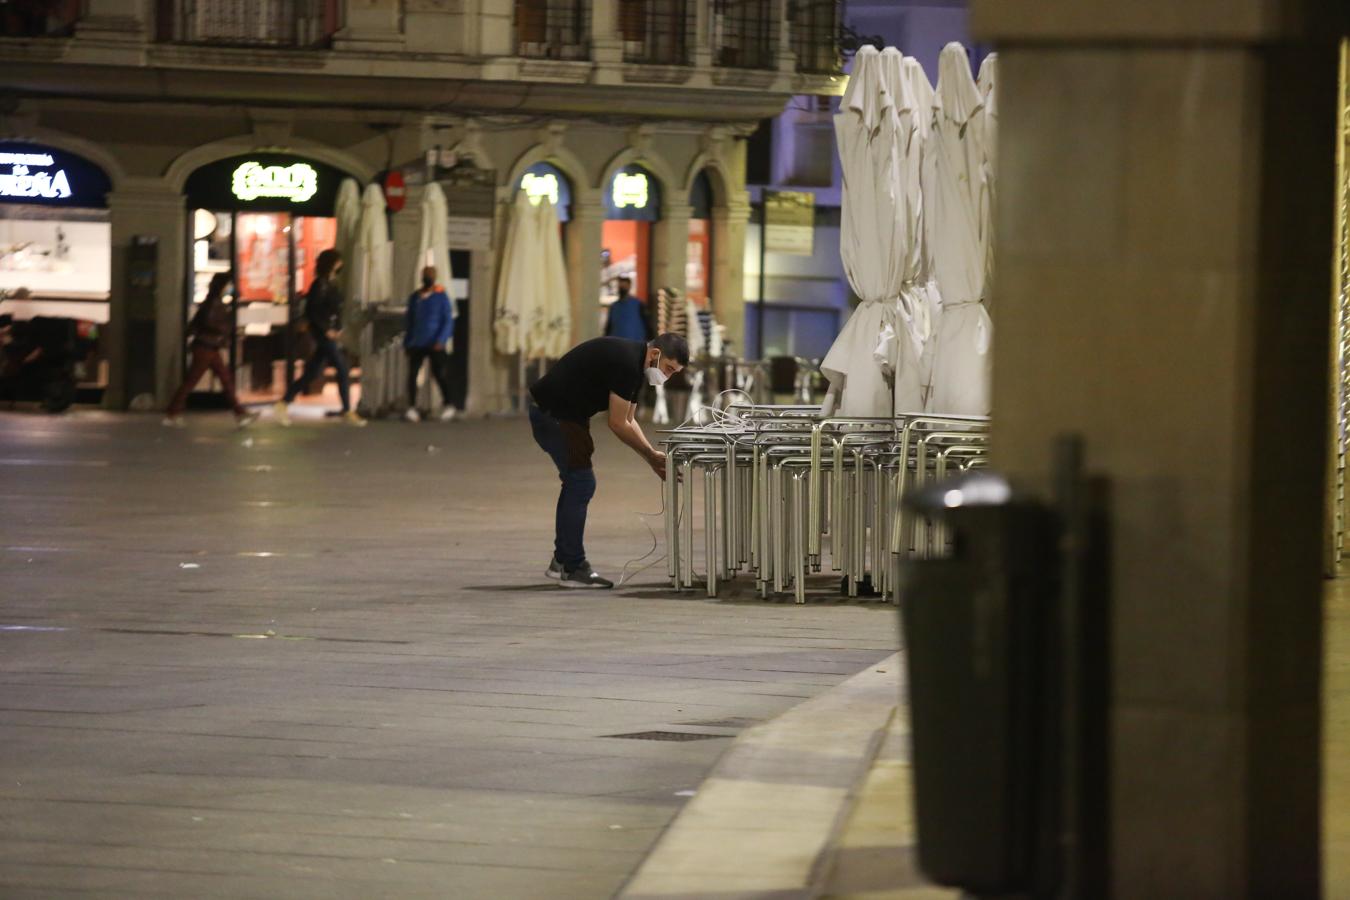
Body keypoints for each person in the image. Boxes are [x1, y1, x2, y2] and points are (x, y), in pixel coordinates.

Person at [528, 331, 687, 589]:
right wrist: (649, 456)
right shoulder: (627, 363)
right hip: (553, 414)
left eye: (674, 373)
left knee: (577, 482)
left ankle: (563, 561)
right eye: (668, 369)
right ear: (656, 353)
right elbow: (616, 423)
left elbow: (628, 420)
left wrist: (652, 458)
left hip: (566, 415)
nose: (667, 377)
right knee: (580, 482)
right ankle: (571, 566)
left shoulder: (636, 364)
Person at [273, 249, 365, 427]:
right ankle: (347, 410)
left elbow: (332, 310)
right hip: (323, 334)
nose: (340, 265)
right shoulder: (320, 284)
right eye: (338, 261)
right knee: (341, 368)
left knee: (312, 372)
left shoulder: (329, 283)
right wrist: (327, 330)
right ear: (332, 264)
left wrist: (336, 328)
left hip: (327, 333)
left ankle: (283, 403)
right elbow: (313, 311)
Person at [163, 272, 258, 428]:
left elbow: (196, 324)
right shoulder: (214, 303)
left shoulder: (212, 302)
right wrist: (224, 328)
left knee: (224, 379)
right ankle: (172, 412)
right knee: (193, 381)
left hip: (209, 347)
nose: (229, 288)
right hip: (206, 347)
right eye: (228, 286)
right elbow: (210, 323)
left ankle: (240, 413)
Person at [402, 265, 457, 423]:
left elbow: (447, 320)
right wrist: (408, 342)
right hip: (417, 342)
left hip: (435, 343)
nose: (427, 278)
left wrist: (441, 340)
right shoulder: (415, 297)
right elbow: (410, 321)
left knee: (439, 374)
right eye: (426, 275)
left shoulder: (441, 297)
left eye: (430, 275)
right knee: (412, 375)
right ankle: (411, 406)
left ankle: (448, 404)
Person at [604, 276, 654, 342]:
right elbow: (609, 327)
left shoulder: (638, 305)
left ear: (629, 286)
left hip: (635, 343)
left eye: (624, 286)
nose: (622, 288)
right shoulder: (614, 306)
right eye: (620, 286)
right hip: (617, 344)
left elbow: (647, 324)